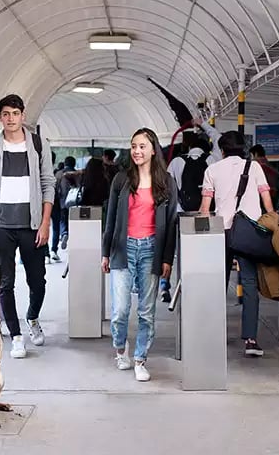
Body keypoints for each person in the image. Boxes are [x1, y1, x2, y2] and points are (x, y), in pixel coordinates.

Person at [0, 94, 55, 359]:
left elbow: (48, 184)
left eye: (15, 113)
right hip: (2, 227)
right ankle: (16, 335)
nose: (10, 118)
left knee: (38, 280)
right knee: (4, 283)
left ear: (23, 115)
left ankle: (32, 317)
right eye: (5, 114)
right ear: (0, 117)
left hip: (32, 225)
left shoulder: (38, 144)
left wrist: (45, 223)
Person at [101, 128, 178, 382]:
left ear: (153, 149)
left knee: (147, 311)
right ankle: (120, 348)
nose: (137, 151)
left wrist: (167, 258)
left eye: (142, 146)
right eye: (134, 146)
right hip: (123, 249)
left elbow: (171, 222)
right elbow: (110, 219)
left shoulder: (166, 181)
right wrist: (105, 252)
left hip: (151, 250)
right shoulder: (121, 180)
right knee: (120, 309)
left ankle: (140, 359)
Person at [199, 131, 274, 358]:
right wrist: (273, 221)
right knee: (250, 284)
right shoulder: (255, 168)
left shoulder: (212, 170)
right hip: (250, 231)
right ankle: (251, 340)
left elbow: (205, 208)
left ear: (221, 150)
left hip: (223, 231)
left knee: (217, 283)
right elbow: (266, 200)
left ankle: (212, 335)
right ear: (243, 149)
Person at [249, 144, 279, 209]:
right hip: (273, 196)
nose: (252, 158)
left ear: (256, 154)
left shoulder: (256, 166)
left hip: (260, 197)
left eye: (251, 155)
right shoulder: (270, 165)